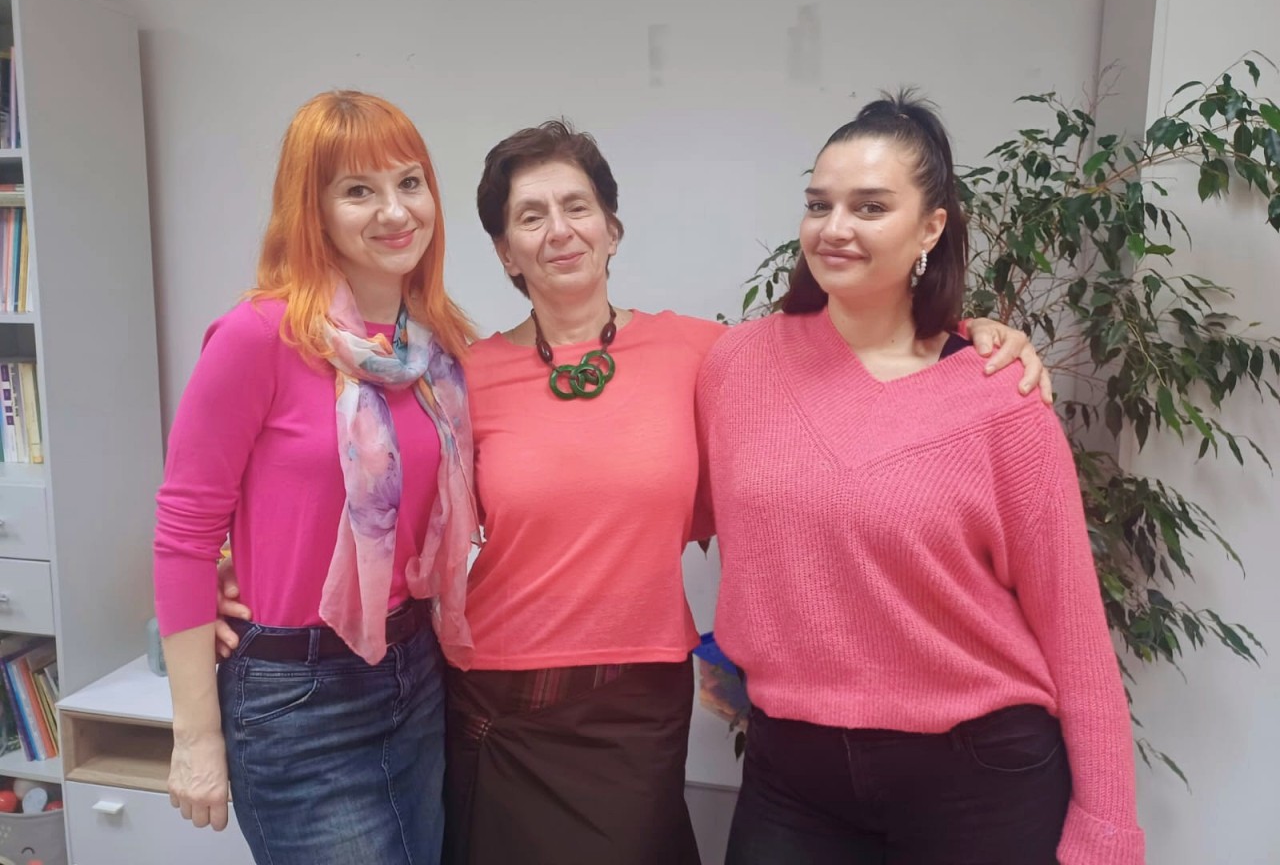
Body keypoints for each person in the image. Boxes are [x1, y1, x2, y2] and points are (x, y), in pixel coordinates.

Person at [215, 119, 1050, 865]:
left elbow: (849, 363)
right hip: (491, 706)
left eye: (577, 207)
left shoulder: (708, 355)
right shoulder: (457, 374)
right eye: (529, 217)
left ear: (611, 229)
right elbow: (366, 488)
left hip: (636, 706)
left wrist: (966, 337)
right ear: (505, 252)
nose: (558, 231)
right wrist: (232, 566)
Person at [697, 92, 1145, 865]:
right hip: (791, 776)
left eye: (870, 207)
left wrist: (1107, 830)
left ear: (931, 228)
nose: (834, 227)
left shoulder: (1001, 397)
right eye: (819, 204)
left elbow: (1073, 631)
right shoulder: (734, 365)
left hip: (979, 779)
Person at [153, 90, 477, 865]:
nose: (395, 211)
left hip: (415, 672)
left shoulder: (434, 348)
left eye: (409, 182)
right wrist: (195, 738)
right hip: (296, 698)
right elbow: (184, 533)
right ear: (314, 210)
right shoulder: (260, 336)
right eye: (358, 190)